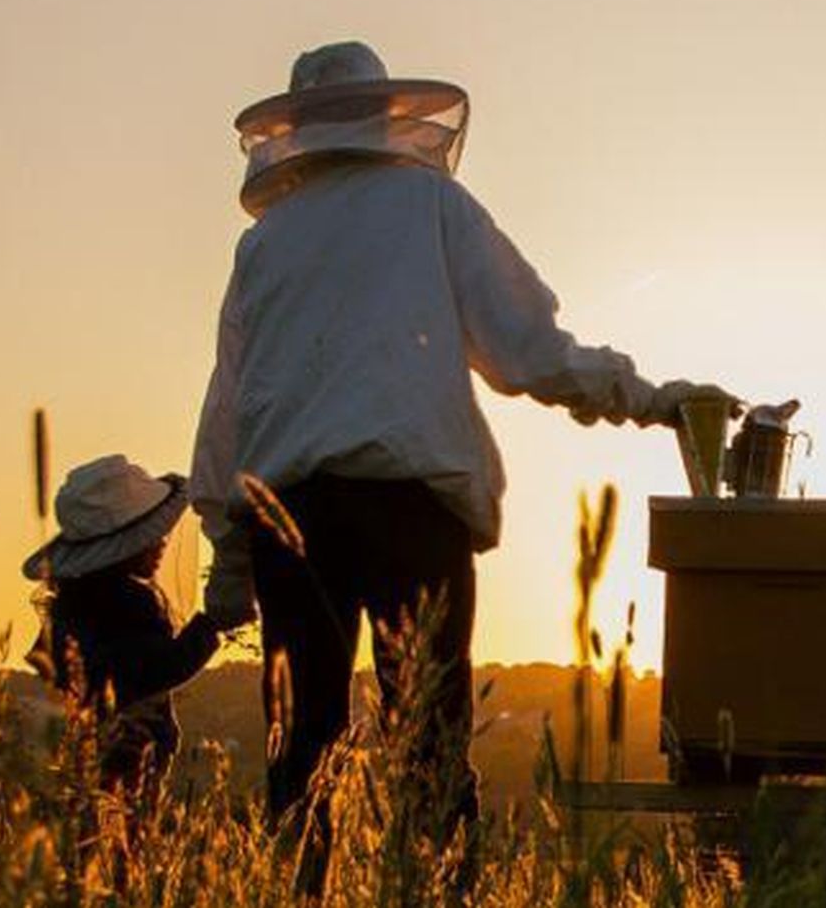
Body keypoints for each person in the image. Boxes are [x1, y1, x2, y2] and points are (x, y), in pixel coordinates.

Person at [190, 41, 735, 843]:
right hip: (411, 510)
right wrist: (653, 400)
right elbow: (528, 351)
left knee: (301, 760)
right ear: (384, 116)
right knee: (429, 750)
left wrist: (230, 562)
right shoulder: (430, 205)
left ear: (297, 129)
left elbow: (229, 408)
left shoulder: (262, 245)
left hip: (289, 520)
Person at [22, 455, 221, 793]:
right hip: (130, 756)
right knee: (124, 836)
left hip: (89, 753)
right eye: (152, 536)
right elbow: (160, 667)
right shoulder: (126, 602)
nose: (162, 542)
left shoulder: (73, 603)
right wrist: (211, 625)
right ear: (122, 546)